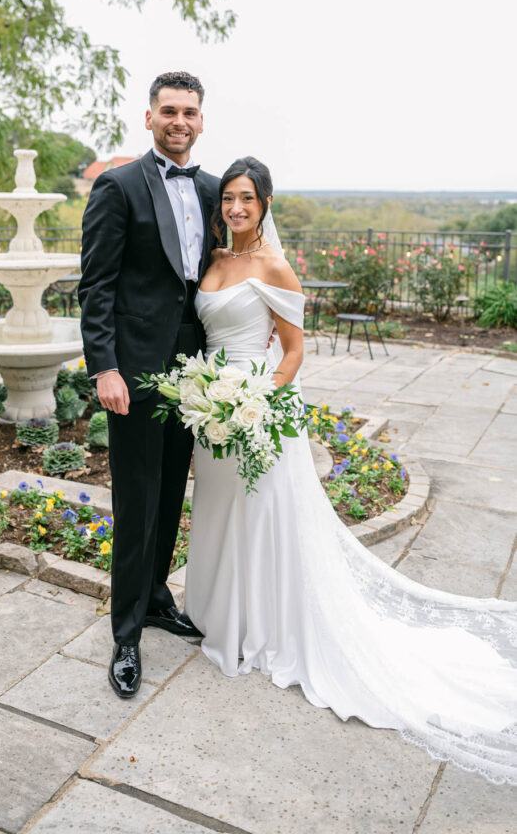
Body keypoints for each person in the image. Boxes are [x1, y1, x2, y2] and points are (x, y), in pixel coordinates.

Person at [185, 156, 517, 784]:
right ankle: (225, 614)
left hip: (252, 412)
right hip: (210, 411)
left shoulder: (273, 267)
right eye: (229, 197)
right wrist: (210, 397)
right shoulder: (214, 262)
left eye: (247, 199)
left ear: (266, 205)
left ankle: (262, 627)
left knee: (262, 518)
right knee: (220, 512)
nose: (235, 209)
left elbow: (293, 351)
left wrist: (251, 400)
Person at [78, 70, 220, 698]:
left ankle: (158, 596)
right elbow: (97, 286)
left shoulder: (217, 190)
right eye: (169, 110)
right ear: (149, 118)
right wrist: (104, 367)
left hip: (196, 372)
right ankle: (126, 632)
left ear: (200, 119)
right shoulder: (119, 186)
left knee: (169, 495)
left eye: (189, 112)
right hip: (133, 372)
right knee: (136, 499)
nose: (179, 121)